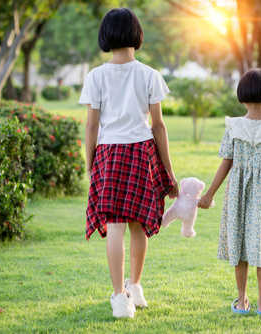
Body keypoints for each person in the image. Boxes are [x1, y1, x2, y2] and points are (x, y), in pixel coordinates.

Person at [78, 7, 178, 319]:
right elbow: (159, 126)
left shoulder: (96, 76)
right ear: (137, 34)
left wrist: (91, 163)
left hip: (109, 154)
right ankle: (135, 286)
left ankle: (121, 299)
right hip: (141, 153)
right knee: (138, 226)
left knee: (116, 226)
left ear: (105, 36)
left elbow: (92, 126)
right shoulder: (149, 74)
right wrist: (169, 171)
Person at [198, 69, 261, 315]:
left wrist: (210, 194)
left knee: (239, 246)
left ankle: (241, 302)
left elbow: (226, 163)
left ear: (242, 95)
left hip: (237, 196)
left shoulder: (233, 126)